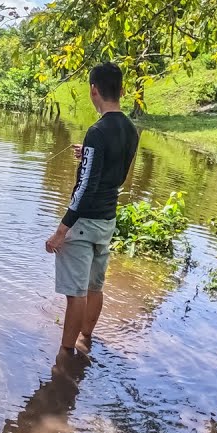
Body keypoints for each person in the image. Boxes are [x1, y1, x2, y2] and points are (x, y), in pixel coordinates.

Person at [44, 62, 140, 356]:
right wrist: (88, 157)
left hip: (84, 221)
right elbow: (117, 175)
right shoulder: (131, 129)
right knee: (95, 287)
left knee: (76, 294)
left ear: (93, 90)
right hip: (107, 221)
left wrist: (62, 230)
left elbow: (85, 187)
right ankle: (86, 339)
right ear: (122, 91)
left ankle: (65, 355)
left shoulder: (97, 131)